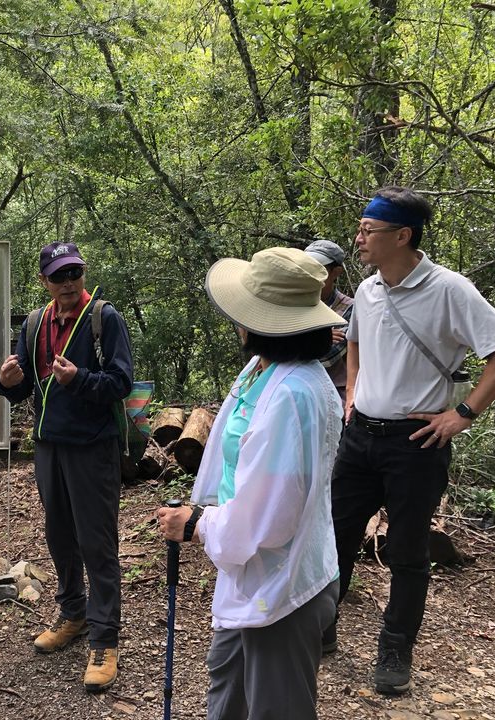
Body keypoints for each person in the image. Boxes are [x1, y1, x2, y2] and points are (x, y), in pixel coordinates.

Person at [330, 186, 495, 695]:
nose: (359, 240)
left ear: (403, 235)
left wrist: (462, 414)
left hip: (415, 442)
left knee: (408, 551)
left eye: (368, 231)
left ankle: (395, 653)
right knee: (334, 537)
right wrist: (352, 394)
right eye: (359, 228)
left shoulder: (449, 289)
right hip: (361, 437)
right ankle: (320, 631)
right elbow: (353, 340)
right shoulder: (370, 289)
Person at [157, 247, 346, 720]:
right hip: (260, 577)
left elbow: (268, 518)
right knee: (228, 687)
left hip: (280, 590)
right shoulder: (266, 369)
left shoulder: (293, 396)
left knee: (274, 708)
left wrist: (198, 522)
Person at [0, 242, 133, 692]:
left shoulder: (103, 318)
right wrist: (5, 383)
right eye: (59, 276)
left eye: (74, 272)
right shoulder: (36, 324)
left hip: (93, 448)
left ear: (83, 273)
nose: (69, 282)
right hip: (49, 447)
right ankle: (73, 615)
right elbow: (23, 391)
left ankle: (105, 637)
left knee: (97, 541)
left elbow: (121, 383)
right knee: (60, 536)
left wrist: (80, 379)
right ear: (44, 282)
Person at [303, 240, 354, 405]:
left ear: (336, 272)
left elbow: (326, 357)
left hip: (332, 397)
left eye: (319, 268)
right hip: (293, 393)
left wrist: (292, 337)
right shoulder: (293, 303)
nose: (310, 274)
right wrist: (319, 337)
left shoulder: (350, 309)